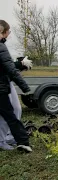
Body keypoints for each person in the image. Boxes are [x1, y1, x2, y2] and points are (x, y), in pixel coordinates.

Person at [0, 19, 32, 152]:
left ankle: (8, 137)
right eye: (8, 32)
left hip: (5, 82)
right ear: (5, 31)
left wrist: (19, 64)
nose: (8, 35)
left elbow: (5, 64)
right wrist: (25, 88)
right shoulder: (1, 46)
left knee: (14, 110)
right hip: (3, 84)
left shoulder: (2, 45)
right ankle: (6, 140)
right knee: (10, 113)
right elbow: (9, 68)